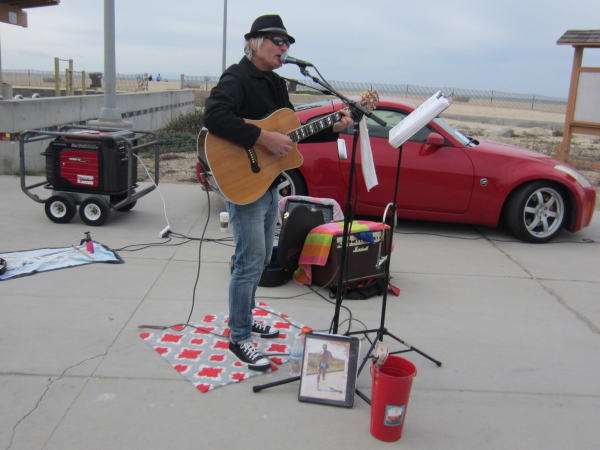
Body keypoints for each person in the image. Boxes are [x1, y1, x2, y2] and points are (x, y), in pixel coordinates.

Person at [203, 14, 353, 371]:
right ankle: (239, 336)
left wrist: (333, 127)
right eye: (278, 41)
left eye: (288, 43)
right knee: (249, 261)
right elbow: (214, 116)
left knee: (259, 260)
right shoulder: (237, 77)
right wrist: (261, 137)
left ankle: (244, 315)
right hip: (243, 184)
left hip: (268, 183)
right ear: (254, 42)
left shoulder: (275, 83)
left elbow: (290, 134)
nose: (284, 48)